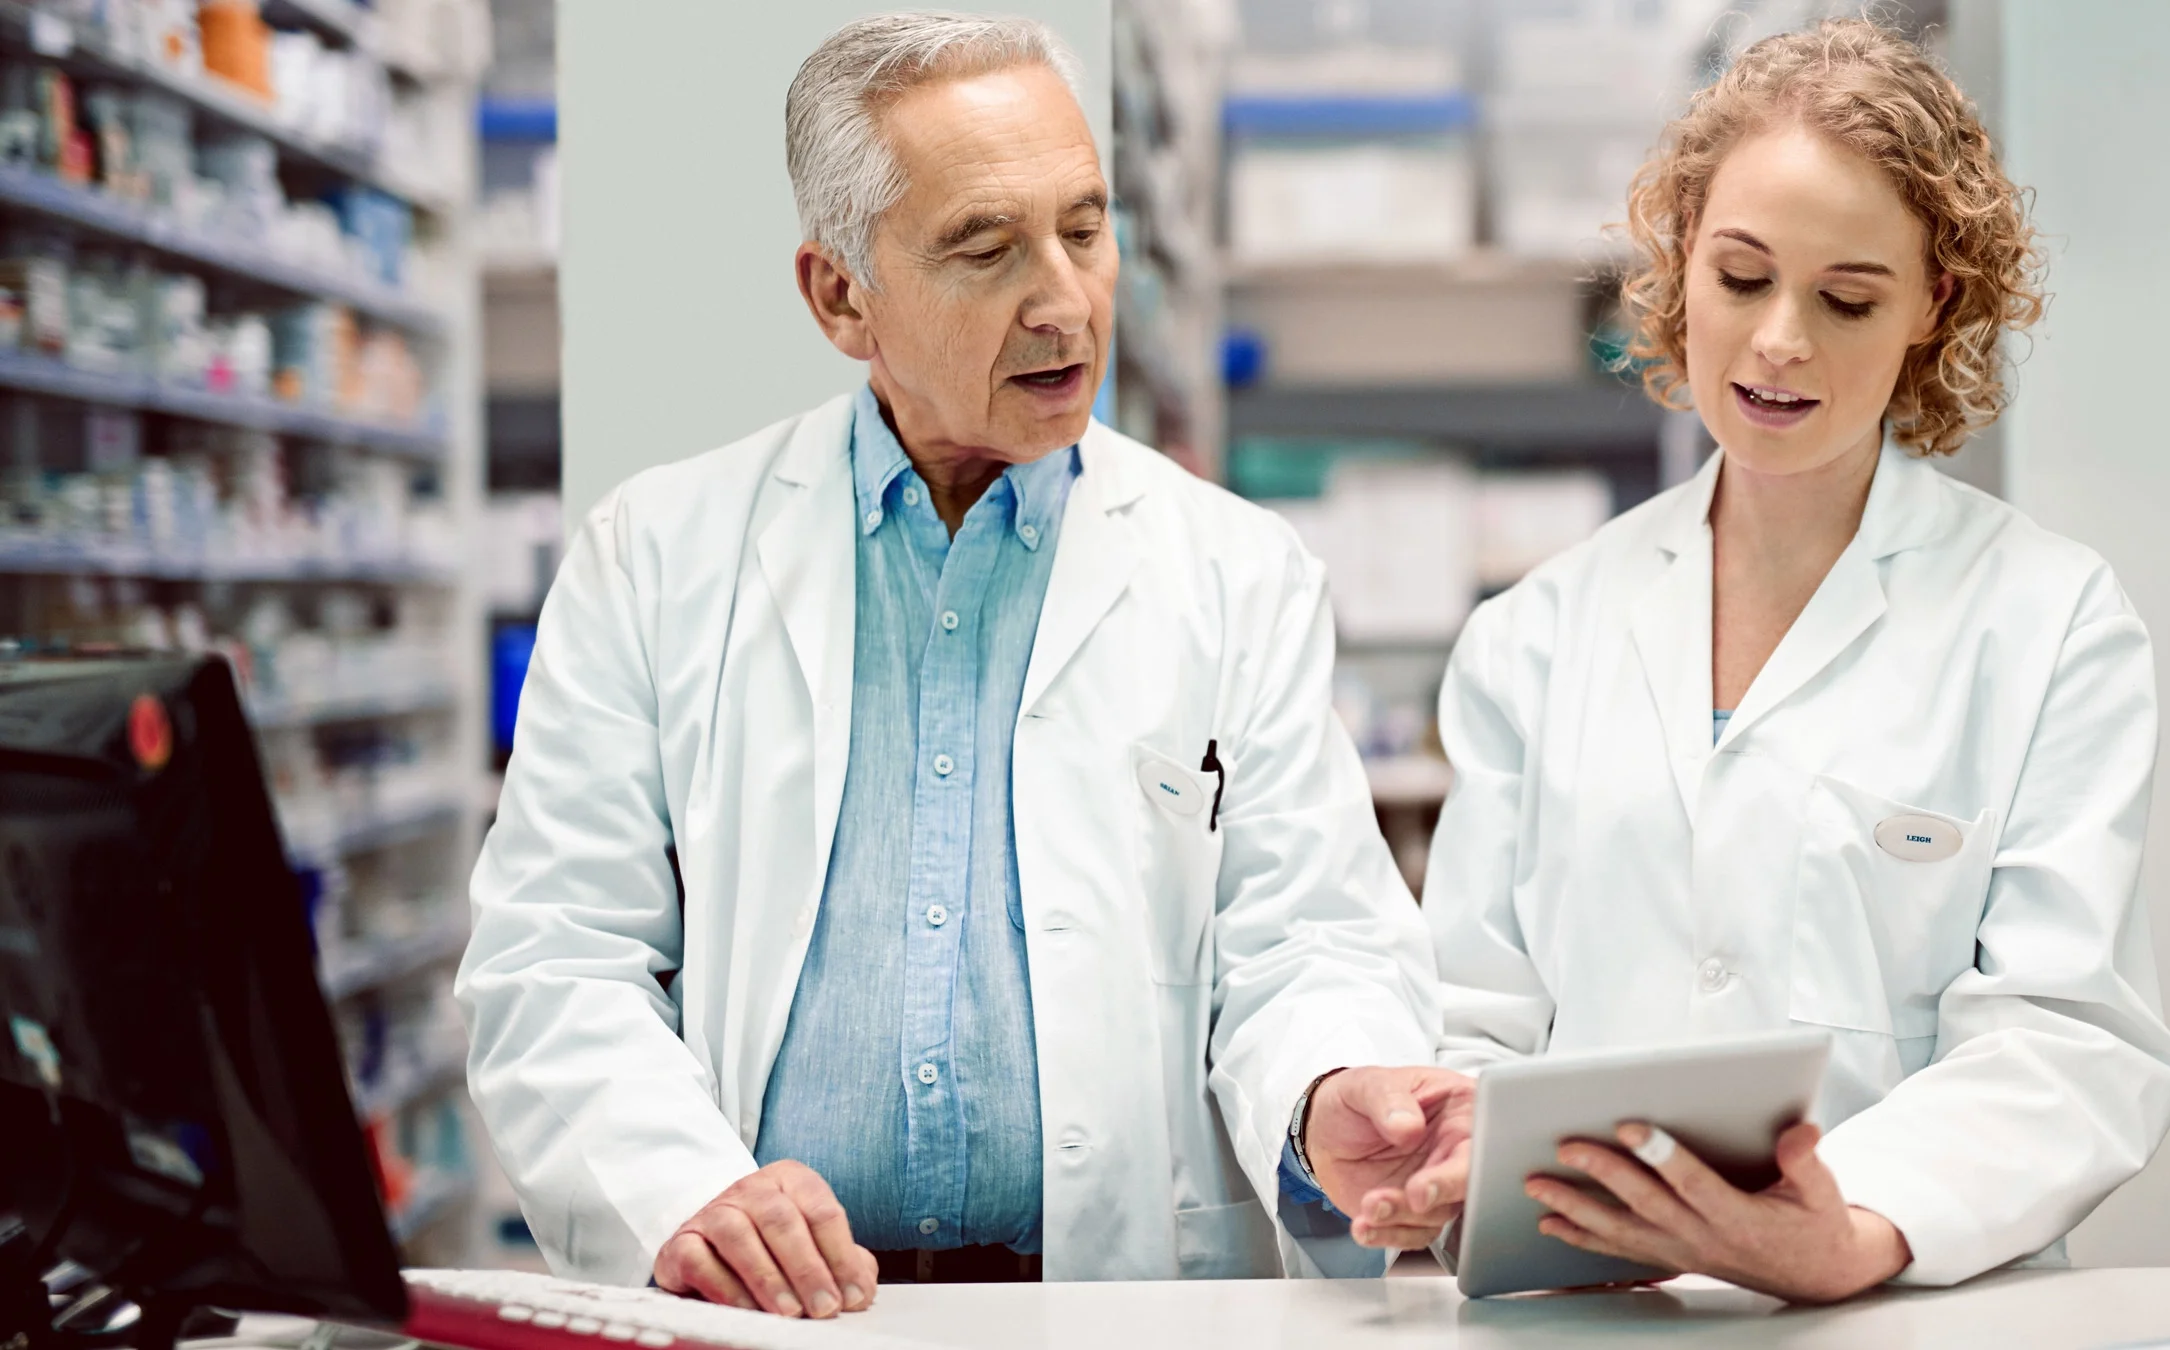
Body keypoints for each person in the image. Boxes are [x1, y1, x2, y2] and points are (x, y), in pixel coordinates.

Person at [457, 13, 1470, 1317]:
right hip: (788, 1314)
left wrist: (1333, 1088)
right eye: (987, 249)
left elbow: (1308, 935)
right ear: (840, 297)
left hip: (1118, 1304)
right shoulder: (656, 557)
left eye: (1087, 228)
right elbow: (557, 955)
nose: (1065, 298)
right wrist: (678, 1188)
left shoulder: (1235, 571)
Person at [1375, 19, 2170, 1300]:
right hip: (1596, 1312)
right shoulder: (1534, 637)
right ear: (1678, 265)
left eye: (1847, 298)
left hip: (1913, 1308)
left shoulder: (2048, 622)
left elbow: (2069, 1038)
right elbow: (1480, 1017)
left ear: (1935, 306)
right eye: (1741, 277)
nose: (1779, 343)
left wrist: (1856, 1228)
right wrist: (1448, 1156)